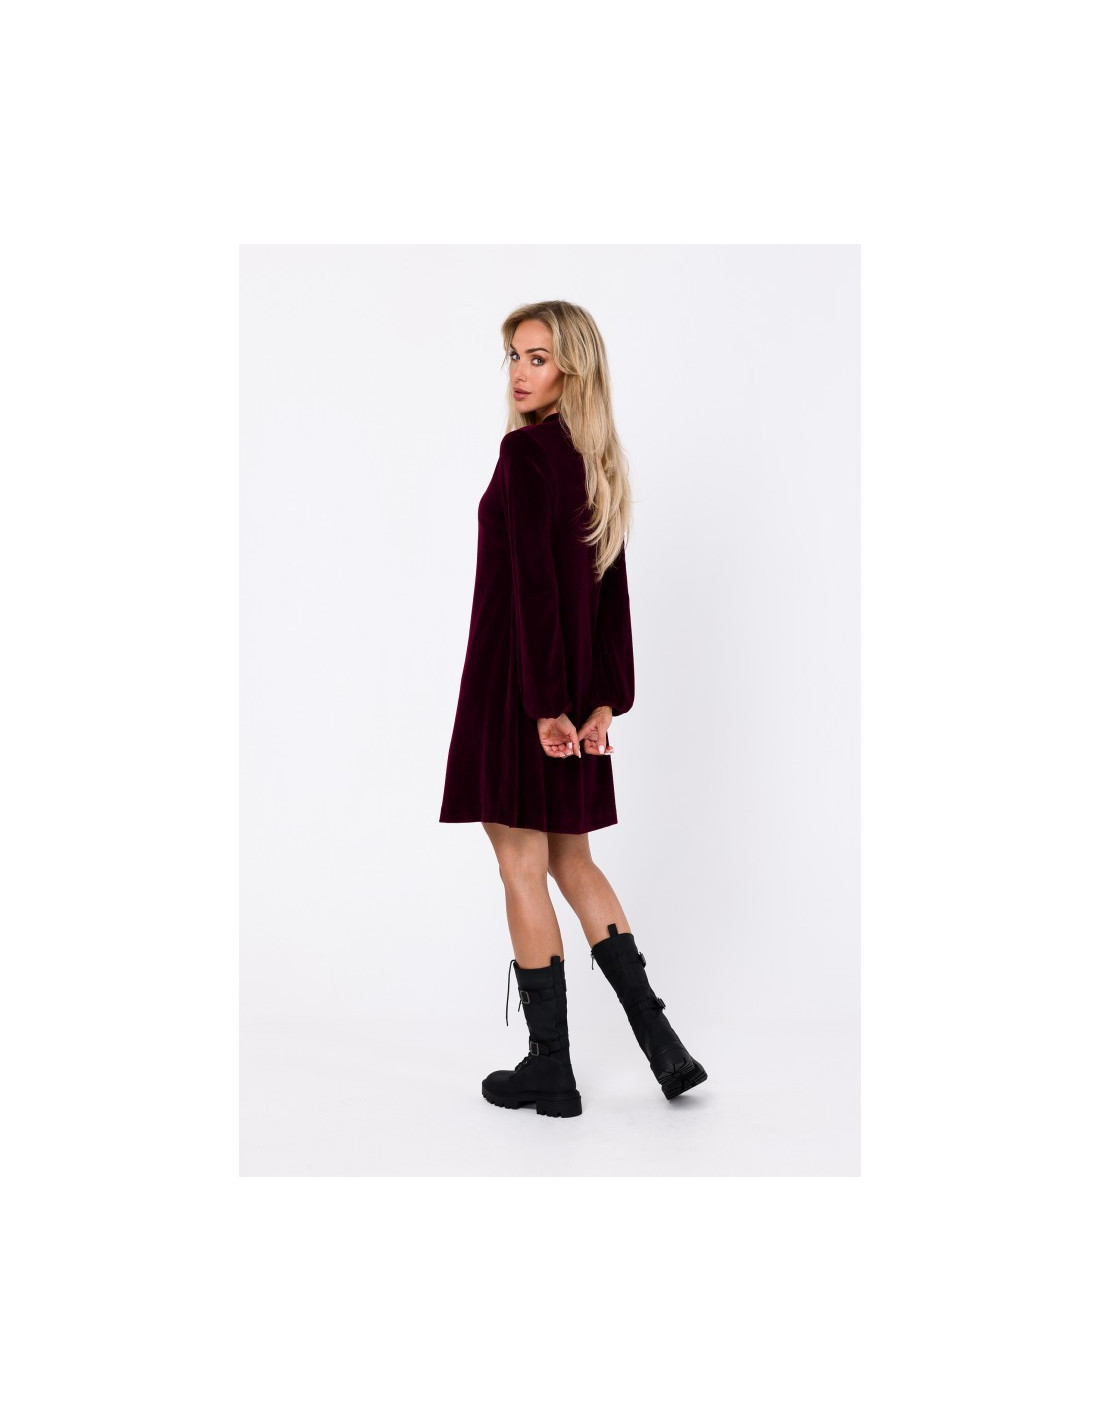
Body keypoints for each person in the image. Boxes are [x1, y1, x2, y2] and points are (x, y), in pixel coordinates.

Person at [439, 300, 707, 1117]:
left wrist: (547, 706)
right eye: (514, 357)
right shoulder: (595, 461)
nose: (520, 373)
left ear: (573, 370)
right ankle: (665, 1048)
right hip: (565, 692)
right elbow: (607, 592)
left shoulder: (526, 456)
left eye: (538, 358)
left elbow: (535, 592)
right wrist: (601, 700)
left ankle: (549, 1067)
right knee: (573, 861)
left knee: (521, 865)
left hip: (518, 690)